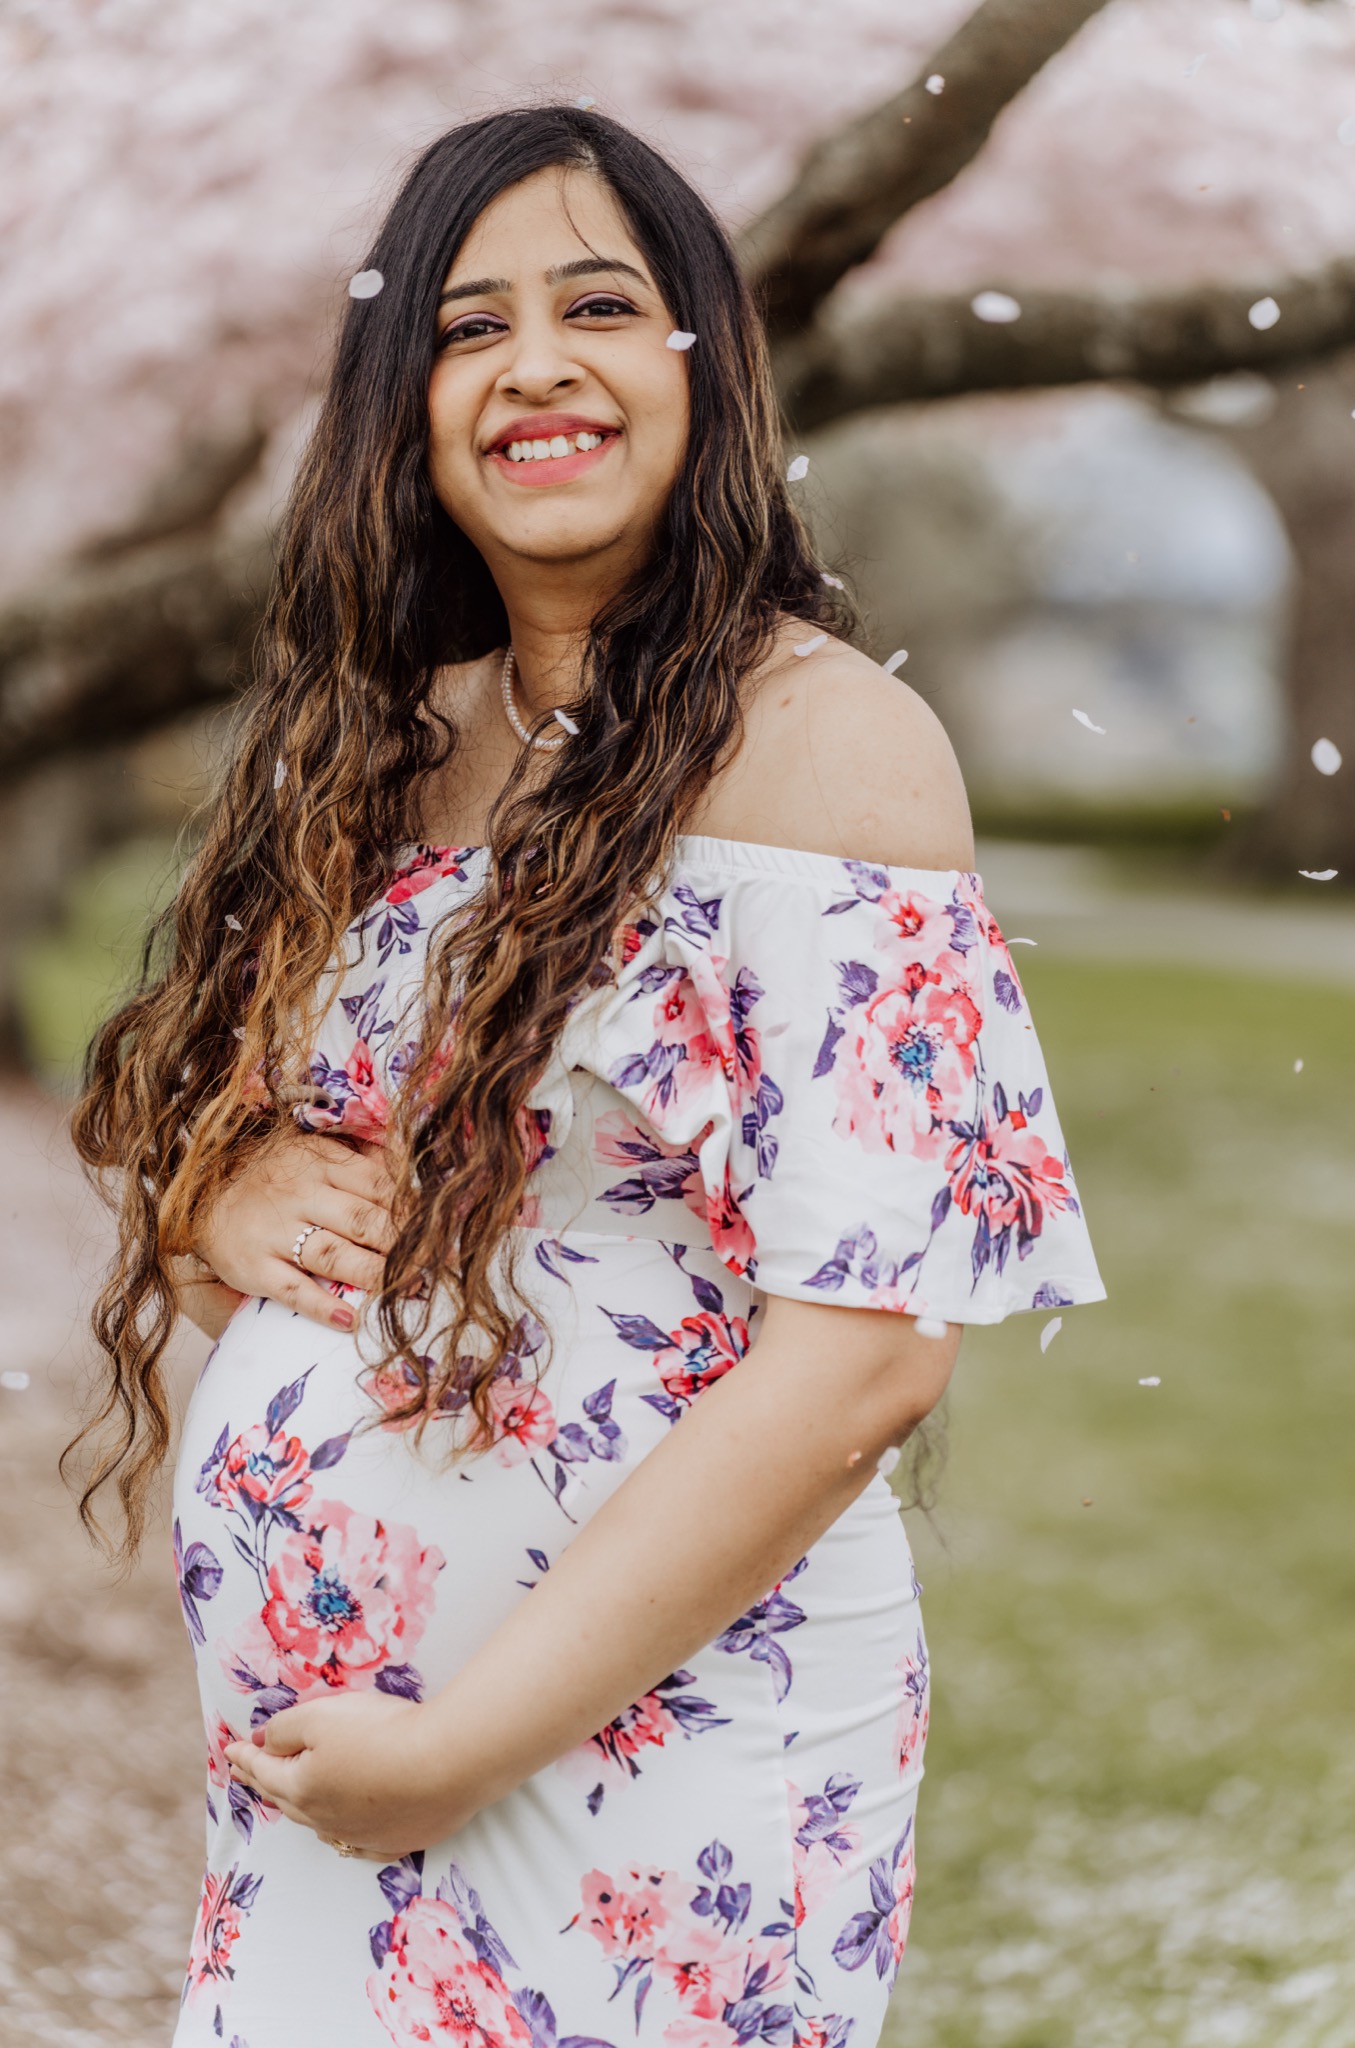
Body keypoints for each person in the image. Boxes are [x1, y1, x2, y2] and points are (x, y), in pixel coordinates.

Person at [69, 106, 1104, 2048]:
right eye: (468, 327)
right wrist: (216, 1193)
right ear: (406, 405)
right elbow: (219, 1139)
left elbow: (866, 1352)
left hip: (656, 1768)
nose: (534, 362)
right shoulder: (385, 745)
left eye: (599, 307)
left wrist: (462, 1740)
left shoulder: (827, 750)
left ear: (702, 372)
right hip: (332, 1772)